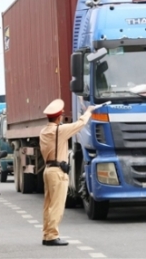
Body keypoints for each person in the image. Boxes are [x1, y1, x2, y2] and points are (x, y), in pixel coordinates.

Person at [39, 99, 95, 246]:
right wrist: (88, 111)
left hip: (48, 170)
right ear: (59, 117)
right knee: (57, 205)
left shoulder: (44, 131)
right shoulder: (59, 130)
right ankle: (52, 236)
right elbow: (80, 125)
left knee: (48, 205)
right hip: (58, 172)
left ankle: (47, 233)